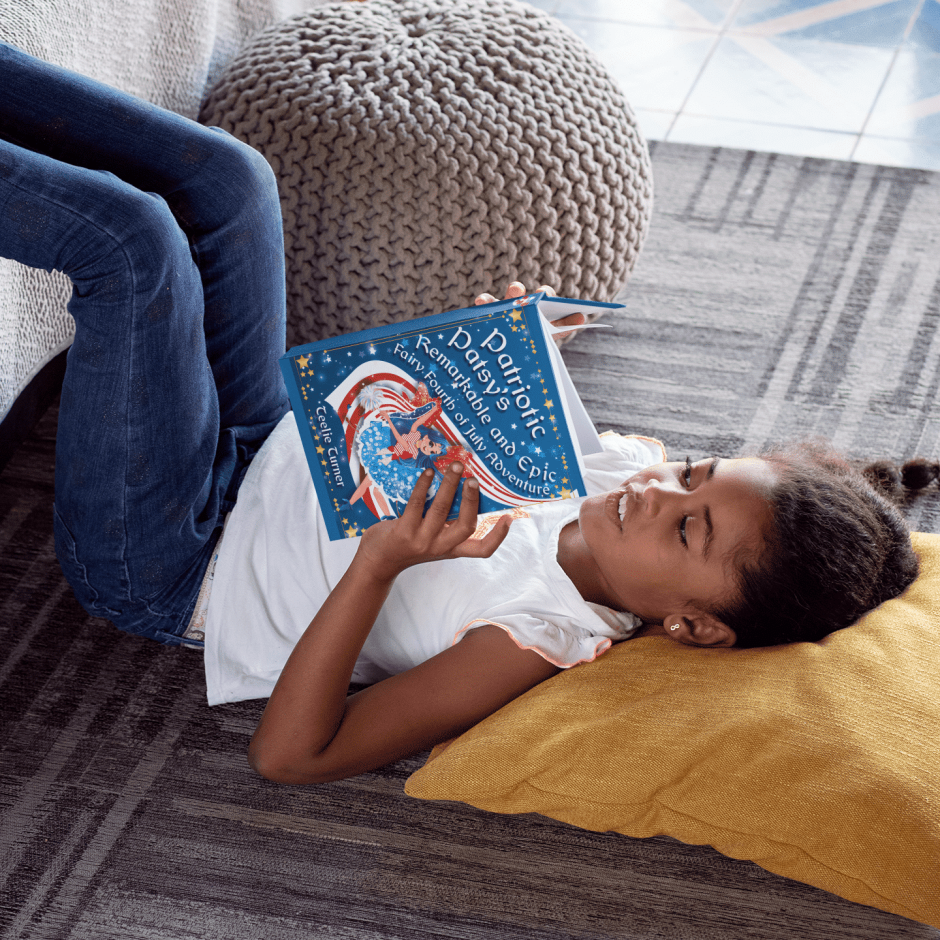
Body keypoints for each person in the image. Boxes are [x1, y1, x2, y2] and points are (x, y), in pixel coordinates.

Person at [0, 44, 921, 787]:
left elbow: (290, 757)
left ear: (695, 627)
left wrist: (380, 564)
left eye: (687, 525)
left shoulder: (536, 634)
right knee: (236, 182)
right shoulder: (613, 478)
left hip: (177, 555)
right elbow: (425, 404)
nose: (655, 488)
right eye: (691, 472)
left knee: (135, 246)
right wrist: (510, 339)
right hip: (272, 438)